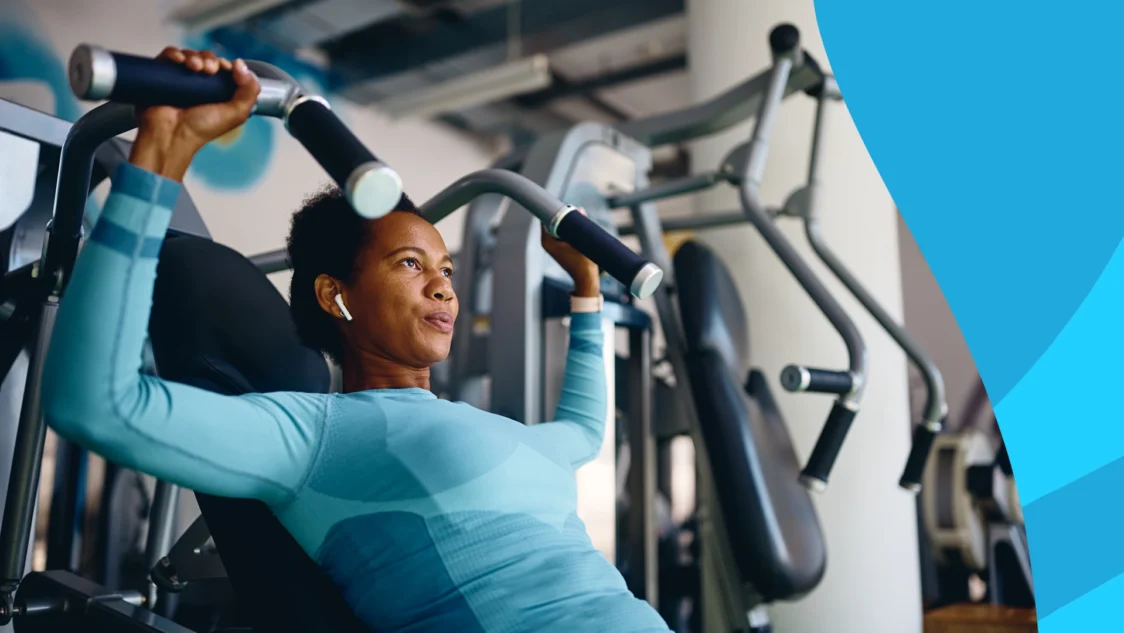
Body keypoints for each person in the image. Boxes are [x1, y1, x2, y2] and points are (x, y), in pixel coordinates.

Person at [40, 47, 671, 633]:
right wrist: (159, 160)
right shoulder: (316, 436)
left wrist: (586, 287)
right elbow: (97, 405)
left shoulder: (505, 433)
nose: (443, 288)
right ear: (334, 295)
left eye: (446, 270)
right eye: (410, 264)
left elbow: (584, 431)